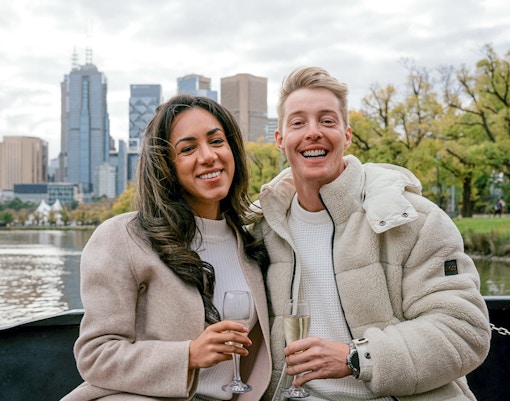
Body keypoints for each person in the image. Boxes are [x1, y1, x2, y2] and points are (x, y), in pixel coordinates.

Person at [256, 67, 491, 401]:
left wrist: (358, 358)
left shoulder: (415, 219)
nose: (313, 133)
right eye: (298, 122)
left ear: (347, 136)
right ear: (280, 140)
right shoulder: (262, 227)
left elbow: (464, 331)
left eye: (327, 120)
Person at [62, 95, 271, 401]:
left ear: (233, 151)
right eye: (188, 149)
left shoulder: (252, 241)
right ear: (166, 166)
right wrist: (187, 355)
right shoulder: (123, 237)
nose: (208, 156)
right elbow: (95, 355)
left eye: (216, 141)